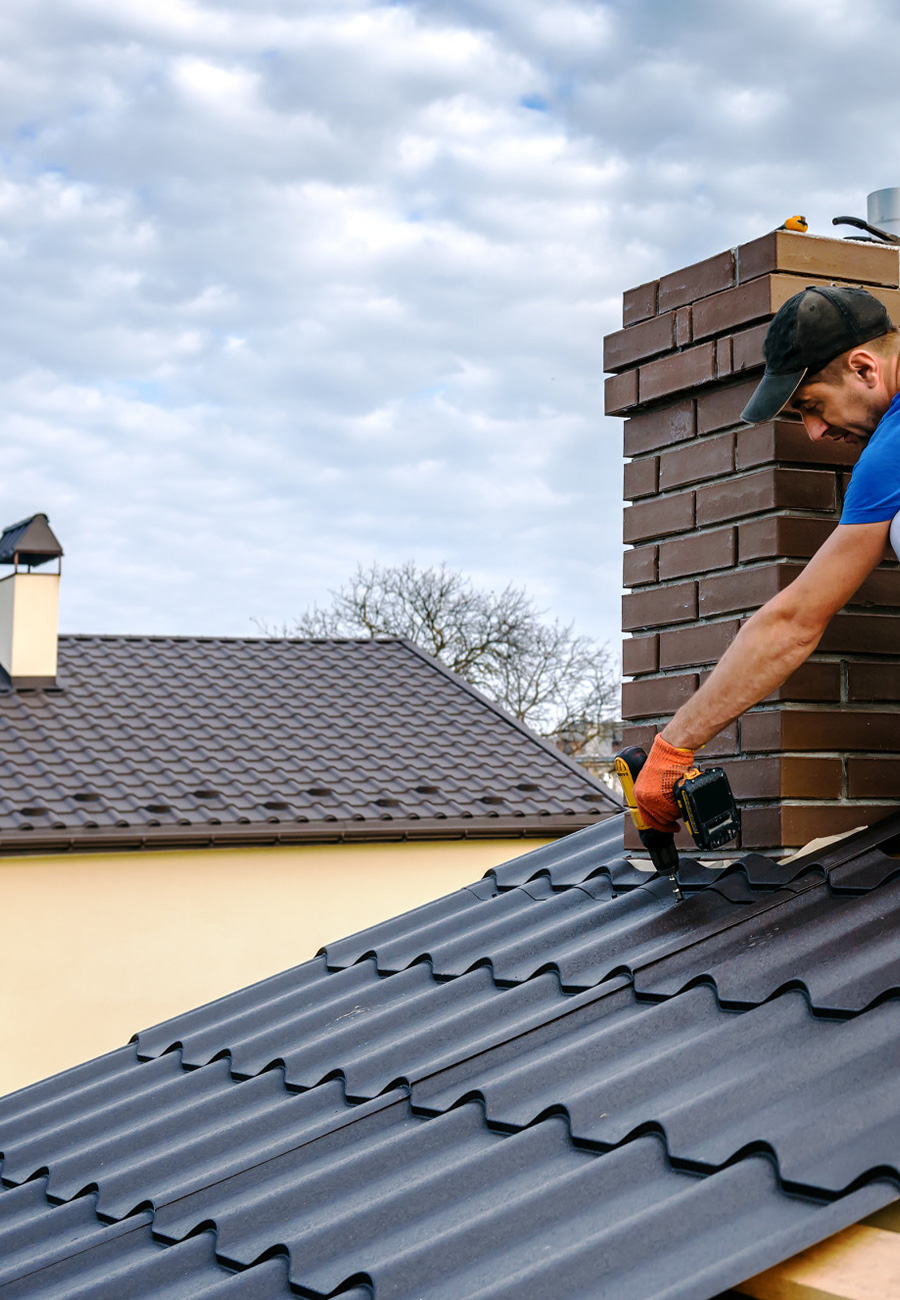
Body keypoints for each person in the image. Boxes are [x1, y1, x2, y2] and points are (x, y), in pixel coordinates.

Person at [634, 284, 900, 834]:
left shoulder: (891, 450)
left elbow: (795, 621)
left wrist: (673, 747)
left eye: (812, 406)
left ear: (864, 370)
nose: (816, 432)